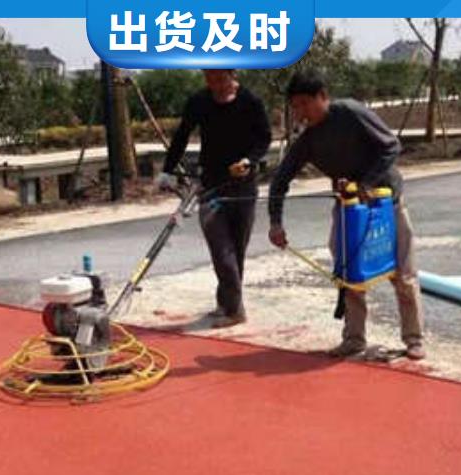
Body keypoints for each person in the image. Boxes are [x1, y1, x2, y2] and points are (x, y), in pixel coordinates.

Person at [268, 71, 425, 360]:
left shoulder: (350, 113)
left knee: (403, 273)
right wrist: (275, 222)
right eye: (295, 106)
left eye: (305, 103)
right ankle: (354, 339)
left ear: (322, 97)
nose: (301, 112)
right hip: (349, 211)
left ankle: (414, 338)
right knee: (349, 276)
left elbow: (391, 146)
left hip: (386, 204)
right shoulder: (308, 140)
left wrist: (366, 183)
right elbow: (280, 180)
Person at [157, 70, 271, 327]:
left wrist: (249, 161)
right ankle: (234, 309)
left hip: (243, 186)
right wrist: (167, 170)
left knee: (236, 249)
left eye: (221, 79)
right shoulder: (199, 101)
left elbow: (264, 138)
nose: (216, 86)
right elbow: (182, 135)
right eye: (210, 80)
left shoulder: (250, 101)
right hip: (211, 185)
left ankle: (227, 303)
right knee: (221, 248)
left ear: (233, 74)